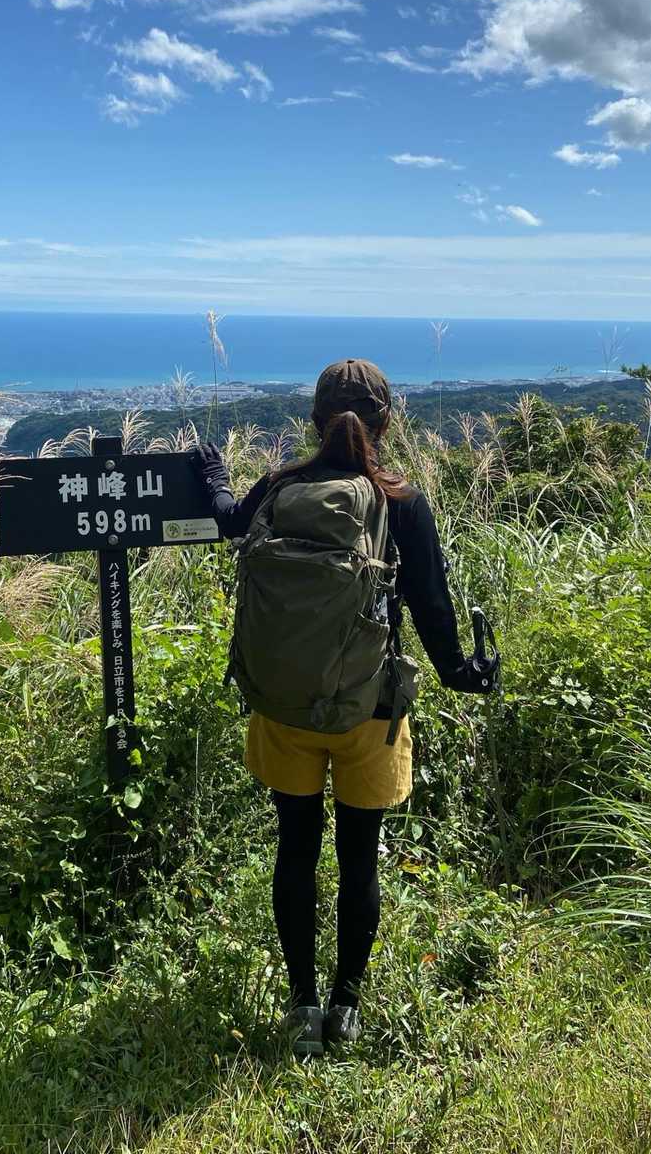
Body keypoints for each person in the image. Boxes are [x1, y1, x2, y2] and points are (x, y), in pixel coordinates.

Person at [191, 358, 485, 1056]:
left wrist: (214, 474)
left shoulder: (281, 486)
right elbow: (432, 606)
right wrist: (461, 672)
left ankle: (302, 1006)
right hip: (368, 711)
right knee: (359, 861)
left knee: (295, 849)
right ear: (387, 421)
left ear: (313, 420)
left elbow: (229, 522)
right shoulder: (401, 502)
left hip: (284, 705)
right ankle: (346, 1006)